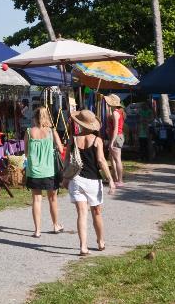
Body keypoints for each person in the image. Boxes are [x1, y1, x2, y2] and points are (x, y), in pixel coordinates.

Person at [67, 109, 117, 256]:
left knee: (81, 214)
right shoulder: (97, 140)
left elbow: (67, 161)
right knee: (96, 212)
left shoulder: (73, 139)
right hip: (93, 181)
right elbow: (101, 161)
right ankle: (101, 241)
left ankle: (83, 247)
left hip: (76, 179)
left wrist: (65, 178)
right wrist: (110, 179)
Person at [25, 106, 65, 238]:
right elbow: (60, 149)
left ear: (35, 118)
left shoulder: (29, 132)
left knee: (36, 200)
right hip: (49, 171)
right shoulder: (51, 132)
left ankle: (37, 230)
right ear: (47, 117)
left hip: (34, 171)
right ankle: (55, 225)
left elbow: (26, 152)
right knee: (52, 199)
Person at [103, 94, 125, 185]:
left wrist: (112, 142)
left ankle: (120, 180)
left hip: (116, 137)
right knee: (112, 158)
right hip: (117, 136)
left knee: (117, 159)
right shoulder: (119, 111)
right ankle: (115, 178)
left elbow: (116, 128)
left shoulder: (116, 113)